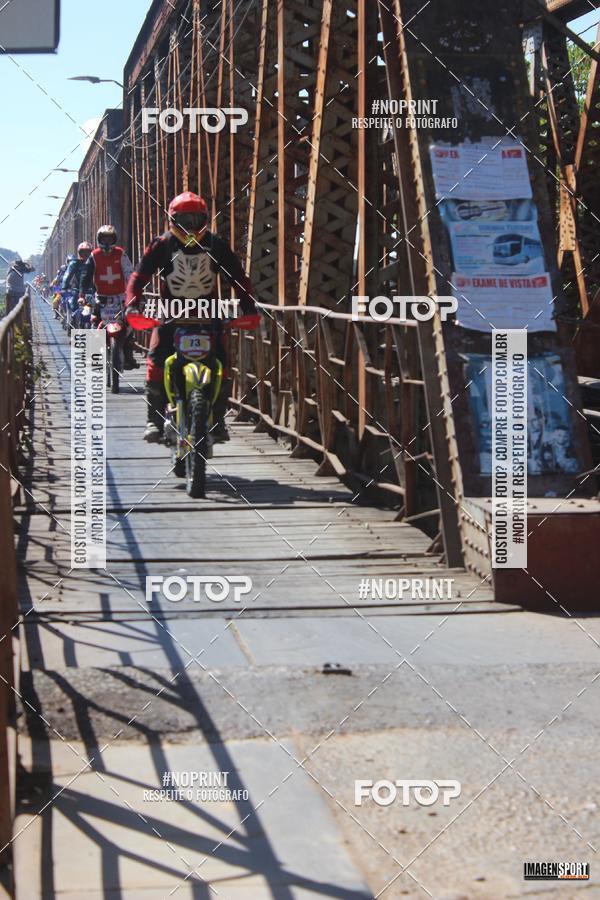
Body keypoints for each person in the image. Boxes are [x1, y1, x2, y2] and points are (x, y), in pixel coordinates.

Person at [125, 191, 259, 443]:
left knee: (221, 365)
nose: (190, 225)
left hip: (208, 315)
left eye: (195, 219)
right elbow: (138, 278)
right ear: (173, 220)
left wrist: (248, 307)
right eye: (184, 220)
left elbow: (238, 278)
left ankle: (218, 421)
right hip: (171, 315)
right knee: (155, 362)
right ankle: (153, 421)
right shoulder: (161, 245)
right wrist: (133, 306)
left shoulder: (216, 244)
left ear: (205, 218)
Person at [79, 225, 138, 368]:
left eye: (109, 238)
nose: (106, 241)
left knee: (128, 324)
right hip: (101, 297)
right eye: (104, 238)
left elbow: (129, 273)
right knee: (94, 323)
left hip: (120, 297)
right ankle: (94, 356)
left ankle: (128, 354)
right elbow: (85, 276)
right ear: (99, 239)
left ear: (114, 239)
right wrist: (82, 295)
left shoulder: (120, 254)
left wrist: (135, 291)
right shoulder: (94, 256)